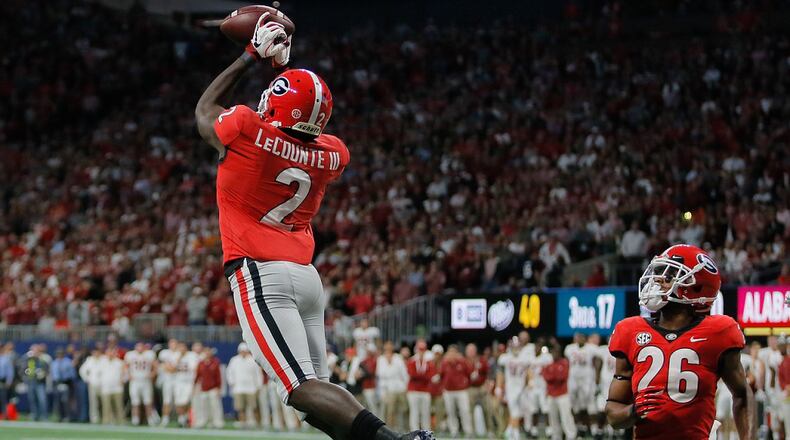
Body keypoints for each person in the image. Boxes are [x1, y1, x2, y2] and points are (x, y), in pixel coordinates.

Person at [194, 13, 432, 440]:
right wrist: (283, 75)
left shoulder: (247, 129)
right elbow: (299, 128)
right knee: (319, 398)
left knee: (299, 389)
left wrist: (250, 56)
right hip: (305, 277)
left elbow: (205, 110)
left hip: (260, 272)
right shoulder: (333, 154)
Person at [605, 244, 755, 439]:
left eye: (668, 276)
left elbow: (742, 394)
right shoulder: (630, 330)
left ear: (696, 287)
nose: (657, 280)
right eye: (658, 273)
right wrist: (632, 412)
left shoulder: (718, 332)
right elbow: (613, 413)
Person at [564, 332, 598, 435]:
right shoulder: (569, 348)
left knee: (590, 404)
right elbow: (566, 362)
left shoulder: (591, 348)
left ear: (585, 338)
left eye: (581, 337)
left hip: (587, 379)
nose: (579, 339)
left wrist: (597, 376)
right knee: (574, 405)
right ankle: (578, 426)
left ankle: (593, 428)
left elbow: (598, 359)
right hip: (573, 379)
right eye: (577, 337)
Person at [498, 336, 530, 440]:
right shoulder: (505, 358)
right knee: (515, 412)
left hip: (522, 388)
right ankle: (515, 435)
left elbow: (529, 371)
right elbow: (500, 373)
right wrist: (499, 387)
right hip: (511, 388)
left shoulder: (525, 357)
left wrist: (530, 382)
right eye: (514, 346)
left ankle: (508, 431)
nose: (516, 348)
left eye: (517, 346)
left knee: (520, 412)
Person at [542, 345, 577, 440]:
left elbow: (562, 377)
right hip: (551, 395)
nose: (554, 354)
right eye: (553, 352)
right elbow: (546, 376)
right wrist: (554, 377)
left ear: (559, 353)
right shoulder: (548, 363)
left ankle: (571, 436)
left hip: (563, 395)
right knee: (553, 418)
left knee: (566, 417)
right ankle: (556, 437)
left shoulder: (564, 363)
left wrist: (552, 377)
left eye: (556, 352)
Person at [440, 344, 474, 437]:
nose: (452, 354)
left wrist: (466, 385)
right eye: (450, 352)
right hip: (448, 391)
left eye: (454, 352)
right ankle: (454, 431)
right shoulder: (445, 362)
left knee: (465, 411)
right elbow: (440, 375)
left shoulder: (462, 361)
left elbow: (469, 373)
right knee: (450, 412)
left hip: (461, 390)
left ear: (457, 353)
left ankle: (468, 431)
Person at [227, 342, 263, 428]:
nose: (243, 352)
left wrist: (259, 385)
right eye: (241, 351)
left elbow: (258, 374)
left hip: (251, 388)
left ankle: (257, 424)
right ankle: (243, 423)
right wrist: (232, 382)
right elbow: (229, 372)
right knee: (240, 408)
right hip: (238, 388)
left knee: (254, 407)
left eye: (244, 351)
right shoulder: (234, 360)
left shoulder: (253, 360)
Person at [377, 341, 409, 431]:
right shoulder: (381, 359)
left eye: (390, 346)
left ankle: (403, 428)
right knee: (389, 411)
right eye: (387, 347)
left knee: (403, 409)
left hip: (400, 387)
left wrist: (406, 386)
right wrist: (382, 392)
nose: (388, 348)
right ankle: (391, 430)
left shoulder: (398, 358)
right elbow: (380, 374)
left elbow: (404, 373)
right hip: (388, 388)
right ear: (384, 348)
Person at [125, 342, 158, 426]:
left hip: (145, 381)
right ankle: (135, 420)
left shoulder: (149, 354)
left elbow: (156, 366)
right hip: (135, 381)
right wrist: (128, 375)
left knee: (148, 401)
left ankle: (150, 419)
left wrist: (152, 374)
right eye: (138, 346)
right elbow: (125, 366)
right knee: (135, 402)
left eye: (141, 346)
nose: (139, 348)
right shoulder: (130, 355)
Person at [406, 340, 434, 430]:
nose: (421, 352)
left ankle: (426, 431)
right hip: (413, 390)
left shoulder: (429, 362)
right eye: (420, 349)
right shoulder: (412, 361)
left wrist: (419, 376)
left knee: (425, 412)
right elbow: (412, 374)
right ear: (416, 350)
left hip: (425, 390)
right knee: (414, 412)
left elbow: (430, 376)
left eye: (423, 349)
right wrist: (423, 376)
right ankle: (414, 431)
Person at [194, 347, 224, 429]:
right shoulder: (201, 363)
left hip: (213, 388)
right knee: (203, 407)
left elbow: (218, 376)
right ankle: (202, 422)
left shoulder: (215, 362)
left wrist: (218, 387)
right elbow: (197, 376)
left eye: (208, 351)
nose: (207, 353)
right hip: (203, 389)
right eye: (205, 351)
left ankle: (217, 422)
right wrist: (195, 386)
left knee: (215, 406)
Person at [465, 343, 489, 436]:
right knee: (469, 410)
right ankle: (471, 431)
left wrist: (487, 383)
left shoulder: (481, 360)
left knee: (487, 408)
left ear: (475, 351)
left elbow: (487, 372)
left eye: (472, 350)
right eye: (469, 350)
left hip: (482, 386)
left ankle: (490, 430)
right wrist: (468, 378)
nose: (471, 352)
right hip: (470, 388)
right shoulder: (464, 361)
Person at [21, 344, 49, 421]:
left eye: (35, 351)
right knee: (32, 400)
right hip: (31, 382)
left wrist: (42, 374)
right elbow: (24, 370)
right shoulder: (28, 360)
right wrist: (27, 373)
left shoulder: (42, 360)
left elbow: (46, 370)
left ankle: (44, 416)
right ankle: (35, 415)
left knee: (42, 399)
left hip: (40, 383)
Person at [99, 348, 125, 424]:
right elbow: (97, 374)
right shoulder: (102, 362)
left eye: (112, 353)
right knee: (106, 406)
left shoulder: (119, 362)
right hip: (106, 387)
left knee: (118, 406)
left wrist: (123, 380)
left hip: (117, 388)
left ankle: (120, 421)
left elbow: (125, 373)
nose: (110, 354)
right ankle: (106, 421)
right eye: (109, 353)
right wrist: (100, 382)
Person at [51, 347, 77, 422]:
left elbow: (72, 374)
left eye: (60, 354)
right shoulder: (54, 362)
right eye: (58, 354)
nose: (59, 355)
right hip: (57, 383)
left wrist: (66, 380)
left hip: (66, 382)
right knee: (57, 401)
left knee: (66, 401)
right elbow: (53, 374)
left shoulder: (67, 362)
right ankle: (59, 416)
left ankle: (68, 416)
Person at [79, 345, 103, 424]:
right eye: (94, 352)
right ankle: (94, 419)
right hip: (92, 384)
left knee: (104, 402)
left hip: (103, 385)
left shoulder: (103, 359)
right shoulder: (89, 360)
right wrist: (87, 379)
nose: (96, 354)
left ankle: (105, 418)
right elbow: (82, 370)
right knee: (93, 403)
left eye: (97, 352)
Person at [157, 338, 179, 426]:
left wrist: (171, 368)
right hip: (167, 380)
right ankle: (165, 419)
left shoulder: (179, 353)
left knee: (179, 401)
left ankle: (180, 418)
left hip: (178, 380)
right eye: (171, 343)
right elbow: (163, 365)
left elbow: (175, 368)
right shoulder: (164, 353)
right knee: (167, 400)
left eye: (174, 343)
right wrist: (171, 368)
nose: (173, 345)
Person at [0, 344, 14, 420]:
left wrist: (9, 381)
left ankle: (5, 415)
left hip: (2, 381)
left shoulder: (6, 358)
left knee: (3, 399)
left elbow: (10, 371)